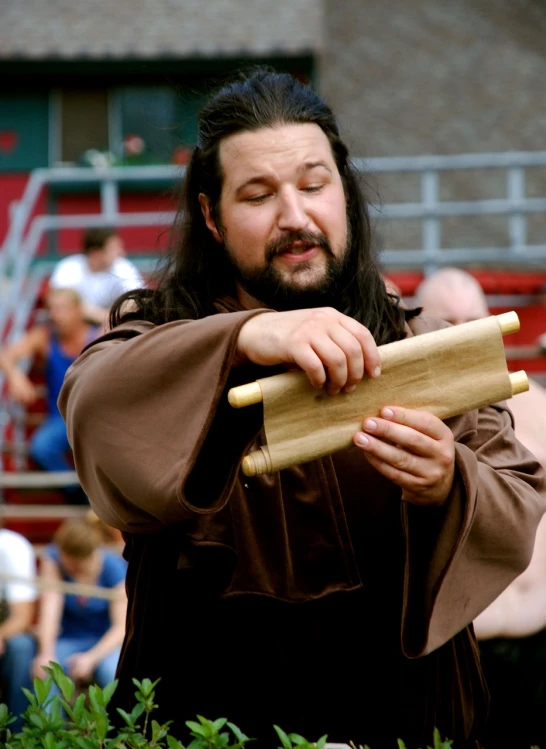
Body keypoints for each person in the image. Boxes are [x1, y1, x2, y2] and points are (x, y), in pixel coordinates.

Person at [58, 71, 546, 749]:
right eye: (258, 195)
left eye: (313, 185)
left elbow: (515, 489)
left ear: (342, 192)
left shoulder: (418, 341)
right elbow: (94, 402)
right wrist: (243, 337)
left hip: (406, 718)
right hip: (205, 724)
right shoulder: (156, 332)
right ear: (211, 214)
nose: (294, 216)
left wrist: (448, 480)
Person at [415, 266, 546, 748]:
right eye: (446, 320)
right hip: (455, 651)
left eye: (474, 317)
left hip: (538, 646)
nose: (463, 332)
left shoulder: (540, 406)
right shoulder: (410, 417)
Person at [0, 288, 96, 503]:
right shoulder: (44, 336)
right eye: (52, 309)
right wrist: (16, 376)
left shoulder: (97, 335)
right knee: (41, 447)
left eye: (62, 309)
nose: (56, 315)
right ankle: (78, 495)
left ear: (78, 310)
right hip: (61, 417)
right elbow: (5, 354)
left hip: (94, 415)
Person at [32, 515, 127, 689]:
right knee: (47, 670)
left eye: (75, 566)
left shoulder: (114, 568)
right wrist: (46, 653)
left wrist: (91, 658)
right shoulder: (53, 558)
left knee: (113, 673)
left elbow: (121, 627)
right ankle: (50, 717)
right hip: (68, 639)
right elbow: (50, 609)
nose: (69, 568)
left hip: (105, 643)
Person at [49, 228, 144, 328]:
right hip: (74, 327)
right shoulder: (68, 267)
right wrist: (105, 316)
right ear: (95, 253)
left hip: (111, 326)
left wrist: (107, 318)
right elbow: (59, 305)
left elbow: (137, 301)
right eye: (113, 249)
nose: (121, 253)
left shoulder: (123, 267)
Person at [0, 527, 37, 730]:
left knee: (21, 647)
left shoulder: (12, 546)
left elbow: (22, 618)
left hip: (5, 636)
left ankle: (16, 734)